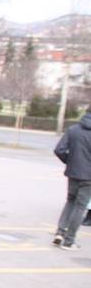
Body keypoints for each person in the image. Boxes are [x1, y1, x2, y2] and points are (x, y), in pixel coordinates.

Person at [52, 105, 91, 250]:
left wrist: (70, 161)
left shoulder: (73, 129)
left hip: (73, 173)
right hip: (88, 177)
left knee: (70, 202)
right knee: (80, 207)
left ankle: (60, 232)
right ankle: (69, 240)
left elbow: (59, 150)